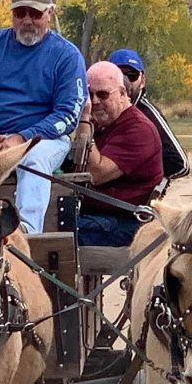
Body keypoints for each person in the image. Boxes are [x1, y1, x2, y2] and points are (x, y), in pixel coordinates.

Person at [0, 0, 86, 234]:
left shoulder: (67, 55)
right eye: (20, 12)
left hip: (42, 140)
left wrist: (22, 139)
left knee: (34, 161)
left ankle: (26, 233)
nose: (27, 20)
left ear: (49, 13)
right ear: (12, 14)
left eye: (35, 12)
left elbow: (68, 114)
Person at [75, 62, 163, 247]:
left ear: (122, 94)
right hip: (100, 215)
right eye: (89, 95)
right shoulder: (104, 123)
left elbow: (96, 174)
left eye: (103, 94)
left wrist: (83, 119)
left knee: (51, 230)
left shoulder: (138, 130)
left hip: (125, 222)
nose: (95, 102)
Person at [107, 48, 189, 184]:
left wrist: (138, 176)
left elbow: (180, 164)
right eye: (119, 76)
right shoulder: (100, 111)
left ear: (142, 80)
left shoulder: (147, 113)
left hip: (128, 199)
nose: (126, 81)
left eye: (132, 75)